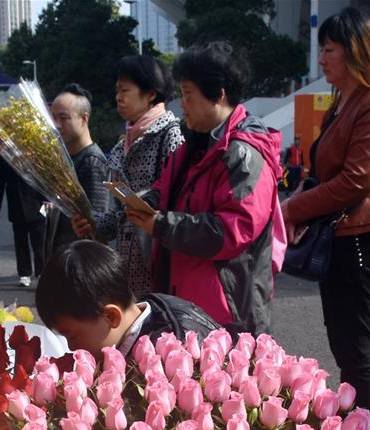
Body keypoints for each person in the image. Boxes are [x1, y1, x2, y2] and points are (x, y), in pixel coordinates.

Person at [281, 8, 370, 414]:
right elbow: (323, 173)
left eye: (328, 49)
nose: (321, 59)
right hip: (340, 239)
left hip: (360, 242)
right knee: (343, 342)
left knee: (354, 350)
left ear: (353, 51)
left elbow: (355, 181)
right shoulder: (344, 103)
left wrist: (292, 209)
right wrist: (298, 203)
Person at [126, 41, 283, 337]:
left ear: (218, 95)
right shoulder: (194, 144)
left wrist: (161, 224)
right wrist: (143, 201)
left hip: (228, 307)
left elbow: (232, 231)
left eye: (187, 94)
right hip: (187, 295)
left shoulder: (243, 153)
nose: (181, 103)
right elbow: (166, 189)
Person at [72, 55, 184, 297]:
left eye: (125, 90)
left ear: (151, 94)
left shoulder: (170, 135)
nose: (118, 97)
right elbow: (121, 213)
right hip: (128, 266)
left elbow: (177, 206)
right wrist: (91, 222)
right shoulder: (126, 140)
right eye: (117, 90)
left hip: (158, 265)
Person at [35, 240, 218, 361]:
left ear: (111, 316)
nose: (70, 347)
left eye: (72, 336)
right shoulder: (146, 316)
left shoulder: (172, 351)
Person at [48, 83, 109, 257]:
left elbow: (95, 225)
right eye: (53, 117)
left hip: (79, 262)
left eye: (64, 118)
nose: (57, 124)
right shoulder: (66, 157)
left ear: (84, 119)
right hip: (61, 257)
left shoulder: (92, 161)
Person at [0, 155, 44, 286]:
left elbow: (44, 174)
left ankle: (42, 271)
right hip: (15, 198)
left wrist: (48, 199)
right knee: (20, 239)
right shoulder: (2, 151)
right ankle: (24, 273)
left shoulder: (30, 145)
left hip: (36, 199)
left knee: (39, 240)